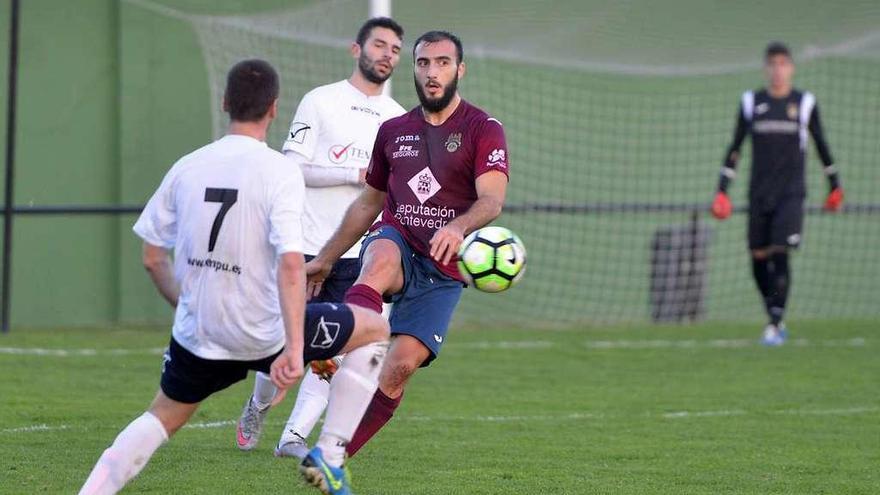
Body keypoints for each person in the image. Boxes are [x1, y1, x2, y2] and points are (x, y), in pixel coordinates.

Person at [78, 59, 388, 495]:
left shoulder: (188, 165)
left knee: (159, 418)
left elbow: (152, 258)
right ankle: (330, 452)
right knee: (375, 329)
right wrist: (295, 352)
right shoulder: (278, 170)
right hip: (264, 331)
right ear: (274, 110)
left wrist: (188, 305)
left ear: (226, 103)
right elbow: (290, 264)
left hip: (199, 331)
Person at [306, 30, 510, 458]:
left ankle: (333, 455)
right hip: (398, 237)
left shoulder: (483, 128)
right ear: (414, 68)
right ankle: (335, 347)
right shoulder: (393, 130)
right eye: (423, 63)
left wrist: (458, 226)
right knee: (379, 259)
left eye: (442, 63)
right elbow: (370, 203)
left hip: (443, 268)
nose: (432, 73)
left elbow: (491, 199)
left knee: (398, 369)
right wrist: (326, 258)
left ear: (460, 70)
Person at [235, 17, 407, 460]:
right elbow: (292, 166)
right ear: (357, 50)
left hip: (361, 254)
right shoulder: (322, 101)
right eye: (380, 45)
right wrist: (355, 173)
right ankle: (257, 405)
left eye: (395, 49)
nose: (387, 54)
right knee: (285, 342)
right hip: (309, 248)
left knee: (340, 348)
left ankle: (294, 435)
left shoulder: (398, 118)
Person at [711, 42, 843, 346]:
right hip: (759, 193)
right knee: (758, 258)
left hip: (791, 194)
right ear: (765, 68)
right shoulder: (750, 102)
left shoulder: (805, 103)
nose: (778, 69)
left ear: (791, 68)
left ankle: (773, 324)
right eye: (773, 63)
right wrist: (721, 191)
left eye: (783, 63)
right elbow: (735, 149)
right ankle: (776, 316)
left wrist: (835, 185)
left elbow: (822, 145)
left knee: (780, 251)